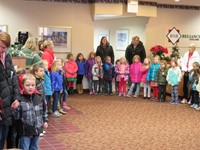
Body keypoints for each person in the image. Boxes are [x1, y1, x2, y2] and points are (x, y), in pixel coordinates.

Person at [13, 74, 48, 150]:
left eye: (32, 85)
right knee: (24, 147)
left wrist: (45, 121)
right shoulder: (20, 99)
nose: (30, 87)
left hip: (37, 129)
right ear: (22, 85)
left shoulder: (39, 97)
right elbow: (16, 117)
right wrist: (15, 108)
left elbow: (44, 110)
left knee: (34, 147)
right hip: (25, 130)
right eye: (27, 85)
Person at [0, 32, 20, 149]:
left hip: (8, 106)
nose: (4, 50)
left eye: (6, 48)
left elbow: (14, 79)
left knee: (4, 137)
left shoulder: (7, 56)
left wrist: (17, 98)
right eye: (2, 47)